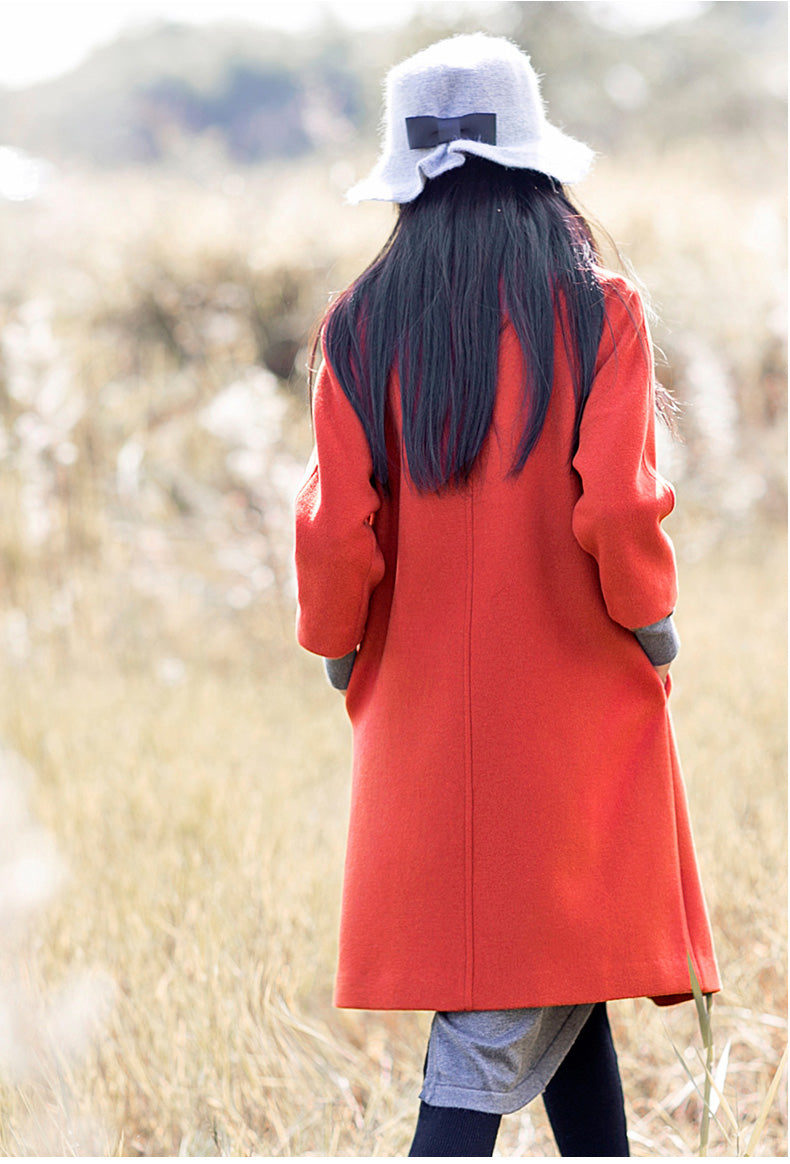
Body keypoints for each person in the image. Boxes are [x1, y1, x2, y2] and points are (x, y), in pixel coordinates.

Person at [294, 33, 720, 1158]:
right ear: (533, 162)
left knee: (543, 968)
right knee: (507, 1002)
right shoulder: (598, 308)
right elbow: (616, 506)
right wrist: (651, 620)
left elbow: (335, 528)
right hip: (574, 698)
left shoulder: (360, 320)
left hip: (424, 713)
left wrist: (339, 645)